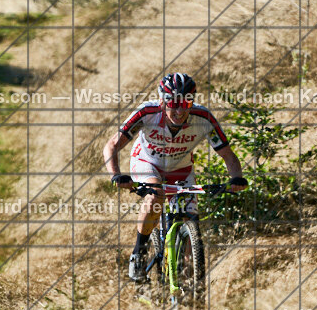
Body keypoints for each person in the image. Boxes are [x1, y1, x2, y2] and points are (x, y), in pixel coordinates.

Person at [103, 72, 248, 282]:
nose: (179, 111)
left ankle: (189, 294)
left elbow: (228, 155)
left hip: (181, 169)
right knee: (155, 198)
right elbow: (111, 145)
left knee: (190, 226)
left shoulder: (204, 118)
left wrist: (236, 178)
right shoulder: (147, 112)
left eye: (186, 104)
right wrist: (116, 175)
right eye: (173, 103)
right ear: (162, 101)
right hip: (147, 162)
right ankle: (139, 253)